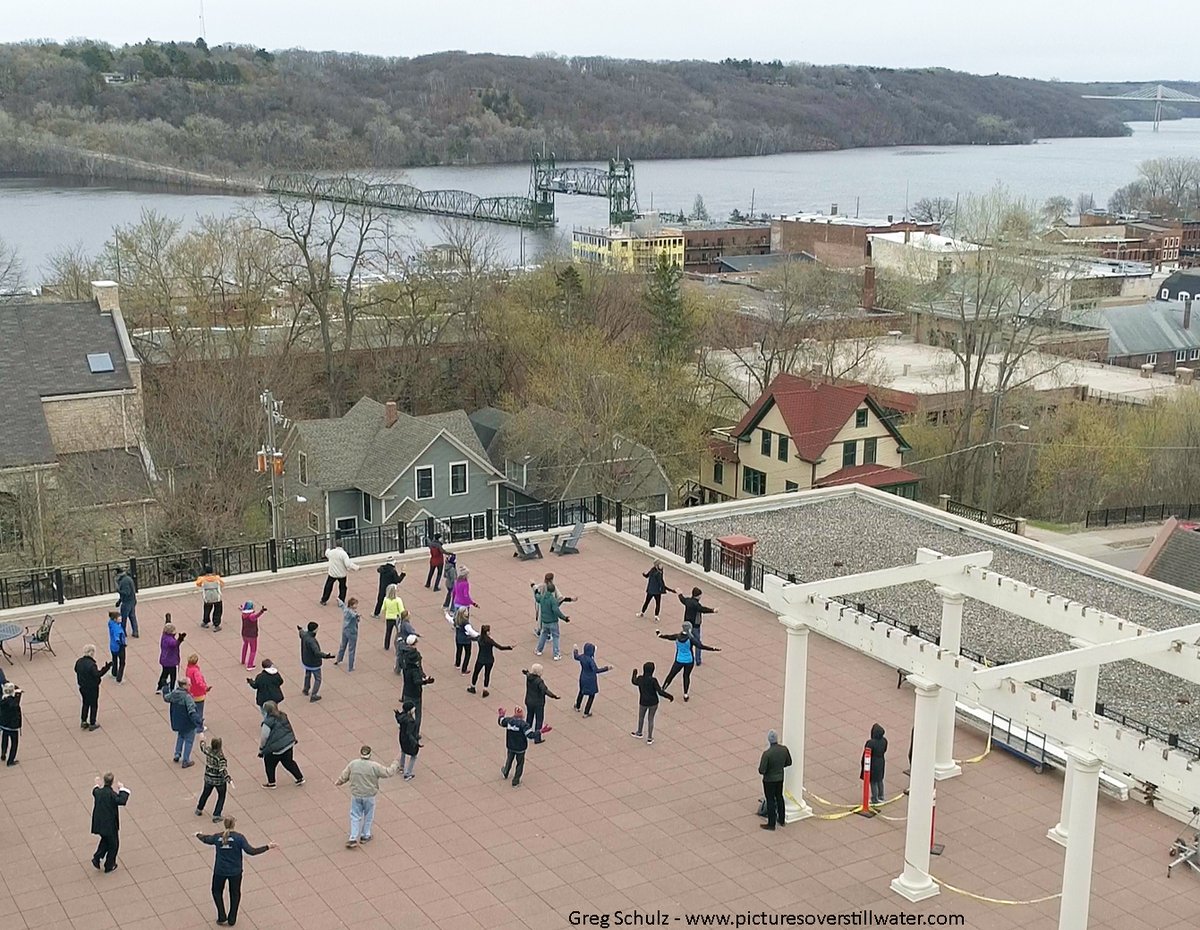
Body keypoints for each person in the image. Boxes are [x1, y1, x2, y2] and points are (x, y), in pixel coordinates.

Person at [195, 816, 278, 926]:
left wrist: (198, 835)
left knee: (216, 891)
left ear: (224, 824)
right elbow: (251, 851)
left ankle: (221, 915)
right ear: (234, 825)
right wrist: (267, 846)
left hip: (220, 870)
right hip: (235, 871)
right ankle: (232, 918)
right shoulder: (239, 838)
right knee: (235, 894)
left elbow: (206, 839)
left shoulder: (217, 837)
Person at [334, 745, 402, 847]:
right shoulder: (374, 766)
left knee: (355, 815)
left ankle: (353, 837)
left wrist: (339, 782)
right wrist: (396, 763)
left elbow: (344, 775)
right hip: (369, 795)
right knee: (368, 815)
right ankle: (365, 835)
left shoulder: (353, 764)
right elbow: (388, 772)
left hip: (356, 794)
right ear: (370, 754)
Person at [658, 623, 720, 701]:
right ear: (689, 629)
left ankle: (663, 688)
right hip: (689, 660)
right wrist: (713, 649)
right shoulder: (691, 639)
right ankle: (686, 694)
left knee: (671, 675)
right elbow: (701, 646)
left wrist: (660, 635)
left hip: (679, 660)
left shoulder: (677, 636)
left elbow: (668, 637)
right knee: (686, 676)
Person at [498, 706, 550, 788]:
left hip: (510, 746)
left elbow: (501, 721)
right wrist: (540, 731)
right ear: (522, 715)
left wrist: (501, 715)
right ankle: (515, 781)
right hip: (520, 748)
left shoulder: (509, 721)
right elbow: (530, 735)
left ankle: (505, 772)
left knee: (509, 759)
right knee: (520, 764)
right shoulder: (524, 725)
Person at [258, 701, 304, 788]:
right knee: (289, 762)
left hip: (276, 749)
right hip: (288, 744)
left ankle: (271, 782)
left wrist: (261, 749)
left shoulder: (267, 723)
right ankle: (299, 777)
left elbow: (264, 737)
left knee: (269, 764)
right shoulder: (283, 716)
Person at [91, 773, 131, 872]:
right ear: (112, 782)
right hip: (110, 825)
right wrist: (122, 788)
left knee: (105, 840)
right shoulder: (112, 795)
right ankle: (109, 865)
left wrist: (96, 784)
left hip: (100, 823)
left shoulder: (99, 792)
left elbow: (95, 790)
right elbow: (121, 800)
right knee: (114, 844)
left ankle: (97, 857)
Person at [630, 661, 673, 745]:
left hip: (643, 702)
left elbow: (634, 681)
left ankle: (639, 732)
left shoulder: (640, 679)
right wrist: (669, 696)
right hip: (653, 702)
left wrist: (634, 673)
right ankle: (649, 738)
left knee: (641, 717)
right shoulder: (653, 680)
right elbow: (660, 691)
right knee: (650, 719)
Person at [759, 730, 792, 831]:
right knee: (779, 797)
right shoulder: (784, 749)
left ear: (769, 740)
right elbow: (789, 762)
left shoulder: (767, 754)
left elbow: (762, 770)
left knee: (770, 800)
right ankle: (781, 820)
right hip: (780, 778)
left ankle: (771, 823)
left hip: (769, 780)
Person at [165, 679, 203, 767]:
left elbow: (166, 698)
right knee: (189, 741)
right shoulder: (187, 697)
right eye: (189, 685)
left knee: (180, 736)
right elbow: (191, 711)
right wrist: (198, 721)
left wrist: (165, 689)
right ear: (184, 686)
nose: (190, 686)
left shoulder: (174, 693)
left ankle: (177, 754)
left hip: (178, 721)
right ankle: (186, 760)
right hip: (187, 723)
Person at [400, 636, 434, 734]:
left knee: (406, 710)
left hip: (407, 690)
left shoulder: (404, 657)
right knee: (418, 714)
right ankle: (415, 732)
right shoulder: (414, 668)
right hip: (415, 693)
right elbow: (417, 680)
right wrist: (425, 681)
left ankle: (405, 726)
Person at [468, 624, 512, 698]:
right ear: (487, 632)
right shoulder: (490, 641)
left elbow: (473, 639)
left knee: (476, 673)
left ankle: (473, 687)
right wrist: (509, 647)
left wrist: (468, 637)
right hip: (489, 660)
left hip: (480, 659)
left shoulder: (479, 639)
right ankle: (485, 690)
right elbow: (500, 647)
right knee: (487, 674)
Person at [196, 735, 233, 822]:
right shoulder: (220, 757)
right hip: (219, 781)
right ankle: (216, 815)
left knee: (205, 793)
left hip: (208, 777)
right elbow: (222, 769)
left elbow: (203, 748)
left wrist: (202, 740)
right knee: (221, 796)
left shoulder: (209, 751)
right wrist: (228, 778)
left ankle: (199, 809)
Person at [75, 645, 112, 730]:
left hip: (82, 687)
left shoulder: (79, 662)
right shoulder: (92, 665)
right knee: (93, 704)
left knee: (85, 703)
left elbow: (75, 669)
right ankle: (92, 723)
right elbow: (97, 674)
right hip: (92, 688)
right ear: (91, 653)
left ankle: (83, 721)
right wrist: (106, 668)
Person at [678, 588, 717, 666]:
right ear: (698, 596)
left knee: (687, 640)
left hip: (687, 625)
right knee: (697, 642)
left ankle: (689, 656)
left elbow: (682, 599)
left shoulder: (688, 601)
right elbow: (703, 609)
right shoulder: (696, 604)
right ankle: (698, 660)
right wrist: (712, 610)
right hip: (695, 626)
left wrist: (679, 594)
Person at [534, 580, 570, 660]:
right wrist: (565, 618)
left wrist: (536, 591)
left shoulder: (542, 597)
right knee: (555, 637)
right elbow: (556, 611)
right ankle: (556, 654)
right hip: (553, 621)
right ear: (553, 590)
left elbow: (537, 598)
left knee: (543, 634)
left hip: (544, 621)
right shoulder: (552, 600)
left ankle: (538, 650)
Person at [572, 643, 611, 717]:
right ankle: (586, 712)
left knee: (581, 691)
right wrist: (607, 668)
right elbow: (596, 670)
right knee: (591, 695)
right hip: (590, 680)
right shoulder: (591, 661)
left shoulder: (582, 657)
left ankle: (577, 706)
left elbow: (576, 656)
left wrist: (575, 649)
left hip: (583, 677)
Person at [298, 622, 333, 702]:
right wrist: (326, 656)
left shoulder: (305, 635)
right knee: (318, 679)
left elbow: (301, 633)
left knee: (307, 675)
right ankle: (314, 695)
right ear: (314, 630)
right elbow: (317, 653)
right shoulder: (312, 641)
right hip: (314, 663)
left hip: (306, 660)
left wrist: (300, 630)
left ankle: (306, 689)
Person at [521, 663, 559, 734]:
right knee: (539, 720)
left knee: (529, 716)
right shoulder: (539, 681)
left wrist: (526, 672)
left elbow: (527, 673)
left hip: (529, 700)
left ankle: (526, 732)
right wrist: (554, 696)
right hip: (538, 703)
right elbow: (545, 690)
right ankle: (537, 737)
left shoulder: (529, 677)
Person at [638, 560, 676, 625]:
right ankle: (656, 616)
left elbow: (647, 575)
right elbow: (661, 583)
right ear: (657, 565)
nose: (661, 566)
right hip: (656, 591)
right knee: (657, 603)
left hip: (650, 590)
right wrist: (671, 590)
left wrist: (644, 574)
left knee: (647, 602)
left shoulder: (653, 570)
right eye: (660, 564)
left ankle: (642, 612)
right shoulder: (659, 573)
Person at [156, 618, 186, 692]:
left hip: (164, 659)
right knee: (173, 676)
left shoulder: (164, 636)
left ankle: (159, 687)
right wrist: (180, 640)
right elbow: (174, 644)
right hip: (171, 661)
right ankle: (172, 689)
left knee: (164, 673)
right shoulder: (170, 640)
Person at [862, 723, 888, 807]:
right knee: (880, 780)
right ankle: (881, 796)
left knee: (873, 781)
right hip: (881, 761)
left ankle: (875, 799)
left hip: (873, 763)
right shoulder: (884, 741)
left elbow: (866, 754)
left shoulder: (870, 743)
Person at [395, 700, 421, 780]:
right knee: (414, 755)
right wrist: (416, 742)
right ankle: (408, 773)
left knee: (403, 751)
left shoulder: (401, 717)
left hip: (402, 738)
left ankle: (401, 767)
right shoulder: (411, 721)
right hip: (408, 740)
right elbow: (409, 733)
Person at [449, 607, 479, 674]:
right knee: (467, 654)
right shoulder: (465, 622)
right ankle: (464, 669)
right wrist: (478, 635)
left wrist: (446, 615)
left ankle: (457, 663)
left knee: (459, 651)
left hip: (458, 638)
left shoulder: (456, 619)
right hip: (466, 640)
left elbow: (450, 620)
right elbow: (471, 631)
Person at [186, 654, 212, 730]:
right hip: (198, 693)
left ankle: (192, 724)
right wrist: (206, 688)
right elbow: (199, 682)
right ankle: (199, 727)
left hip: (191, 692)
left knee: (193, 709)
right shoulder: (195, 671)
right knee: (199, 711)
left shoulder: (188, 669)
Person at [334, 597, 361, 672]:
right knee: (351, 649)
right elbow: (354, 615)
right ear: (352, 605)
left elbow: (342, 605)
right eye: (355, 604)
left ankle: (339, 659)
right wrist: (357, 616)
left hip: (345, 630)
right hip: (352, 632)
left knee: (343, 645)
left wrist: (338, 600)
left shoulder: (346, 609)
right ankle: (350, 667)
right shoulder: (352, 612)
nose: (356, 605)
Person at [196, 565, 226, 631]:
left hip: (207, 598)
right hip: (217, 597)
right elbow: (222, 584)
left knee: (207, 609)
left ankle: (205, 622)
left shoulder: (202, 579)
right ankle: (216, 624)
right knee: (218, 610)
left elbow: (198, 584)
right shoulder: (217, 578)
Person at [0, 681, 23, 766]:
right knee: (14, 743)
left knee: (4, 739)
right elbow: (15, 705)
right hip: (12, 726)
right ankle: (10, 761)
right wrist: (18, 695)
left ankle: (3, 753)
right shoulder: (11, 702)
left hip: (4, 724)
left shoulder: (2, 699)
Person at [240, 602, 267, 670]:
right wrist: (261, 611)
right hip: (252, 635)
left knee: (245, 645)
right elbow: (256, 616)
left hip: (244, 633)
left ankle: (243, 660)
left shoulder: (243, 614)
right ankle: (250, 665)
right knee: (253, 650)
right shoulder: (251, 616)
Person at [115, 566, 139, 638]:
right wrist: (119, 601)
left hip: (127, 602)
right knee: (132, 617)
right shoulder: (127, 579)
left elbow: (126, 592)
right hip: (132, 601)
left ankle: (123, 632)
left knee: (123, 618)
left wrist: (118, 591)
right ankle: (135, 631)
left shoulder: (124, 581)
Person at [381, 584, 405, 651]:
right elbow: (401, 610)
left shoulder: (386, 599)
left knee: (388, 632)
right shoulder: (398, 600)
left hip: (388, 617)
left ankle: (386, 645)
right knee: (399, 632)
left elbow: (383, 608)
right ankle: (399, 646)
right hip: (396, 618)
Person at [107, 609, 126, 684]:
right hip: (119, 647)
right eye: (119, 618)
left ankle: (114, 672)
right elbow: (117, 637)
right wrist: (122, 643)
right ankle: (119, 678)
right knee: (122, 662)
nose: (121, 619)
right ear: (115, 619)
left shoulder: (111, 623)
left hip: (112, 646)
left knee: (114, 659)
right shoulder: (117, 628)